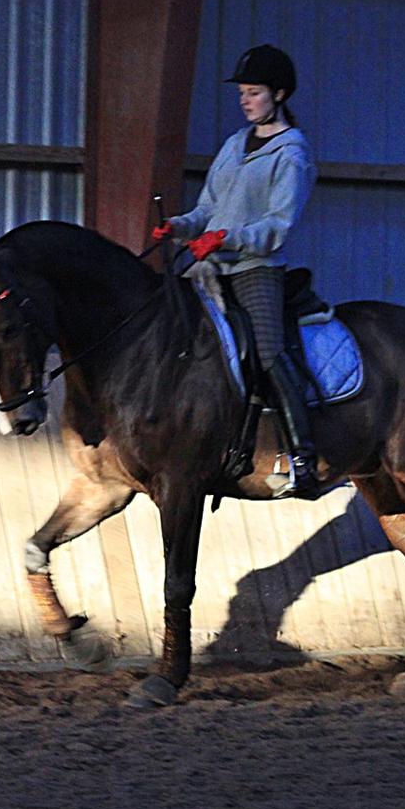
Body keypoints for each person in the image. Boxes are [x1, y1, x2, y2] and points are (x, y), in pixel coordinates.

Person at [153, 44, 320, 498]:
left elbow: (278, 226)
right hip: (208, 266)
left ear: (279, 94)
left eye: (254, 93)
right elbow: (208, 208)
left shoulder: (293, 153)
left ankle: (304, 459)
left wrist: (226, 239)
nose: (245, 101)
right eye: (243, 93)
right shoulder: (233, 145)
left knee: (266, 353)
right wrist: (178, 227)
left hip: (255, 270)